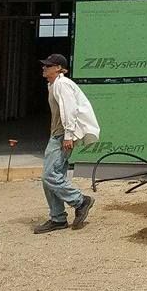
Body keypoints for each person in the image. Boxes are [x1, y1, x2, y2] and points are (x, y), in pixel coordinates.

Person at [33, 54, 101, 234]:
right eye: (44, 65)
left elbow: (70, 110)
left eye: (48, 66)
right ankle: (58, 218)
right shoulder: (53, 85)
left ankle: (80, 201)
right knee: (54, 177)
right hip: (57, 134)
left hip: (62, 135)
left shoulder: (62, 84)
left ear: (58, 69)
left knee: (49, 175)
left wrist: (69, 135)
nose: (44, 68)